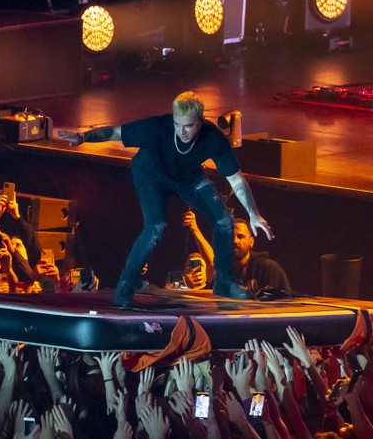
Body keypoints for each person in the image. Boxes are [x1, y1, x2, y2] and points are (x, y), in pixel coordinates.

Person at [58, 91, 274, 307]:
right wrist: (83, 137)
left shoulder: (213, 138)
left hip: (187, 178)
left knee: (224, 221)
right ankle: (125, 285)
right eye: (177, 124)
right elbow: (115, 132)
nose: (182, 131)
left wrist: (253, 214)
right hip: (151, 175)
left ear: (201, 121)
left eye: (188, 126)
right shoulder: (157, 128)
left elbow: (236, 180)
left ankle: (224, 283)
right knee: (156, 226)